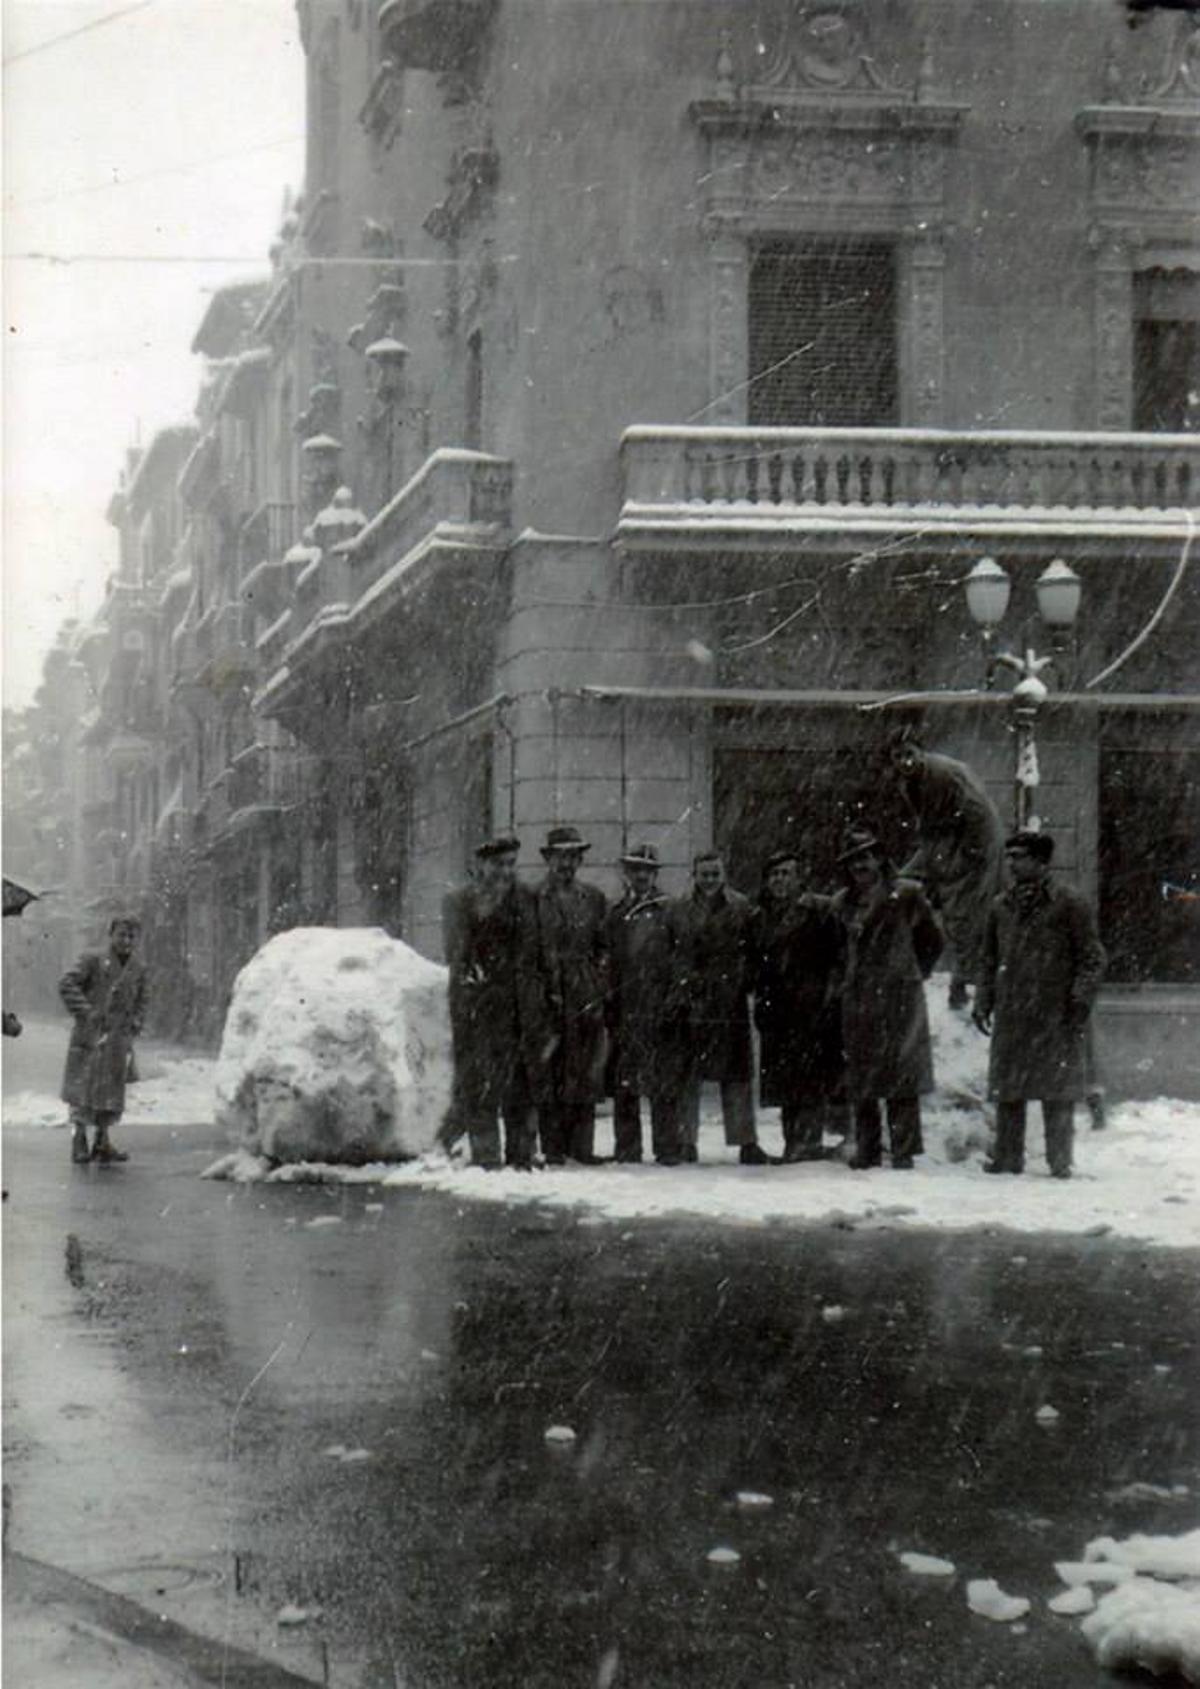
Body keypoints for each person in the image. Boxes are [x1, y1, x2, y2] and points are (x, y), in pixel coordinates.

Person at [972, 829, 1106, 1179]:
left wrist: (1079, 1000)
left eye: (1020, 856)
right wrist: (983, 1000)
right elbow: (987, 958)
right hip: (1013, 1010)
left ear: (1041, 861)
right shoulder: (1001, 906)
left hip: (1054, 1011)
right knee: (1009, 1090)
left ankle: (1059, 1160)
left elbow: (1092, 958)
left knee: (1056, 1091)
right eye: (1010, 857)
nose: (1012, 864)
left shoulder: (1069, 903)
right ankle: (1007, 1158)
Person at [831, 828, 943, 1170]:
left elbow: (932, 940)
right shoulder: (841, 903)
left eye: (865, 857)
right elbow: (837, 950)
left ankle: (904, 1149)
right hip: (860, 995)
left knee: (901, 1072)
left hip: (899, 994)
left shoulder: (906, 895)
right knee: (862, 1074)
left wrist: (910, 971)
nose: (860, 866)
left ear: (880, 858)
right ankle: (868, 1148)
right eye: (853, 861)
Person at [668, 852, 774, 1165]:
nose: (710, 880)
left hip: (730, 1000)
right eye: (704, 874)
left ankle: (746, 1142)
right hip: (693, 1000)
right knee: (688, 1075)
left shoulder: (742, 907)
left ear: (723, 875)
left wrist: (745, 980)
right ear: (694, 875)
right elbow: (672, 951)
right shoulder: (678, 909)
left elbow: (756, 950)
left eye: (715, 874)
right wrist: (683, 986)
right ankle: (686, 1140)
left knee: (737, 1074)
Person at [888, 732, 1004, 1011]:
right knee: (899, 884)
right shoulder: (908, 782)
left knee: (964, 914)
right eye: (898, 757)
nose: (905, 761)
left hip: (972, 846)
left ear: (921, 752)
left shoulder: (945, 773)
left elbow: (978, 813)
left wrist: (969, 856)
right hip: (942, 844)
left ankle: (965, 984)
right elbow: (927, 825)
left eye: (909, 754)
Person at [440, 834, 537, 1170]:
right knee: (480, 1084)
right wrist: (474, 989)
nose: (505, 872)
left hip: (519, 1005)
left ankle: (522, 1156)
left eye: (511, 864)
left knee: (521, 1083)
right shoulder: (459, 900)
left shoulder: (526, 897)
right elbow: (458, 954)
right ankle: (487, 1158)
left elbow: (534, 950)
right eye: (498, 865)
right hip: (477, 1004)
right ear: (481, 865)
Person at [752, 850, 847, 1162]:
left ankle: (808, 1143)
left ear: (799, 878)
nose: (779, 880)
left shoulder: (820, 909)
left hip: (811, 1006)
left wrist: (830, 997)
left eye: (786, 873)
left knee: (810, 1078)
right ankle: (793, 1143)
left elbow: (838, 958)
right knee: (784, 1081)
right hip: (778, 1008)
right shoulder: (762, 915)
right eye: (774, 875)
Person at [524, 826, 610, 1166]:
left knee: (585, 1069)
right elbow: (528, 950)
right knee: (550, 1069)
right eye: (560, 856)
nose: (567, 863)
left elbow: (604, 948)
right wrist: (541, 991)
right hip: (548, 991)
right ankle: (553, 1146)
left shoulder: (594, 898)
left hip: (584, 991)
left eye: (573, 856)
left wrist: (598, 984)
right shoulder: (532, 898)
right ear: (548, 859)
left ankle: (583, 1146)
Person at [605, 843, 684, 1165]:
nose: (640, 876)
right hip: (627, 1005)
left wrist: (676, 996)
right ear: (626, 873)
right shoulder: (616, 914)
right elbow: (608, 961)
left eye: (647, 871)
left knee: (664, 1081)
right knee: (625, 1081)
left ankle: (667, 1148)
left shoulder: (671, 912)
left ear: (655, 875)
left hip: (660, 1005)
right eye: (635, 870)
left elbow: (682, 958)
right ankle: (627, 1148)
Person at [59, 914, 147, 1165]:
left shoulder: (138, 968)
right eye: (121, 934)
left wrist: (136, 1022)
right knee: (83, 1092)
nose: (126, 940)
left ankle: (102, 1141)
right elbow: (66, 984)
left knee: (110, 1093)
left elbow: (143, 998)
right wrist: (86, 1011)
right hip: (91, 1036)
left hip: (118, 1039)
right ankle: (79, 1141)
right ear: (111, 935)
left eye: (131, 936)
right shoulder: (92, 960)